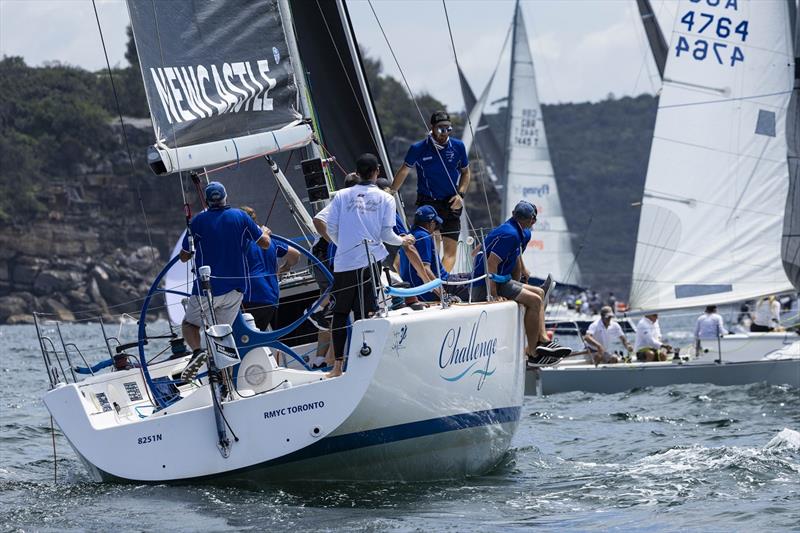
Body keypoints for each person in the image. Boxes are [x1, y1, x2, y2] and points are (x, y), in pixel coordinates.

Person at [326, 153, 416, 377]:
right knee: (365, 312)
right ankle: (364, 366)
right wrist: (403, 240)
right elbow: (387, 234)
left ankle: (337, 367)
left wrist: (345, 245)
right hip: (370, 260)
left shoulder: (341, 195)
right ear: (377, 171)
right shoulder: (386, 198)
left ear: (356, 172)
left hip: (344, 262)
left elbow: (331, 229)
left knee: (340, 313)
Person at [178, 182, 270, 380]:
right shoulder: (241, 216)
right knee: (221, 336)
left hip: (207, 288)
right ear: (225, 197)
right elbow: (265, 244)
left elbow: (184, 256)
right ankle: (225, 381)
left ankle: (197, 352)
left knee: (189, 325)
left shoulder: (197, 222)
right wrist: (261, 232)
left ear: (208, 201)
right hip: (236, 289)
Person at [471, 200, 571, 363]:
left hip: (501, 280)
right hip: (485, 286)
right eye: (534, 219)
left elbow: (479, 252)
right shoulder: (510, 234)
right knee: (534, 300)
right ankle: (533, 352)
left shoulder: (516, 230)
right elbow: (491, 263)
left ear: (513, 215)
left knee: (539, 292)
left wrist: (522, 271)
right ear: (532, 220)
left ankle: (543, 339)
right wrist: (494, 294)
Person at [390, 110, 470, 272]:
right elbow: (404, 171)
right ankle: (410, 274)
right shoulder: (418, 148)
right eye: (441, 128)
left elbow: (466, 172)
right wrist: (391, 192)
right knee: (433, 243)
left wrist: (460, 194)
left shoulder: (458, 147)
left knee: (450, 252)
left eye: (448, 128)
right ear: (432, 127)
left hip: (451, 202)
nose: (445, 133)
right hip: (428, 202)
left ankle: (442, 284)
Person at [240, 206, 300, 331]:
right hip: (271, 296)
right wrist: (285, 267)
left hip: (251, 295)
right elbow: (295, 255)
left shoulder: (240, 241)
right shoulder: (271, 240)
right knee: (260, 336)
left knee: (245, 339)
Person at [399, 205, 470, 302]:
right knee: (478, 281)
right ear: (431, 223)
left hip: (433, 284)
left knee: (471, 276)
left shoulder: (409, 235)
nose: (436, 227)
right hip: (443, 284)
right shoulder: (423, 236)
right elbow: (425, 269)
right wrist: (443, 294)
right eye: (436, 223)